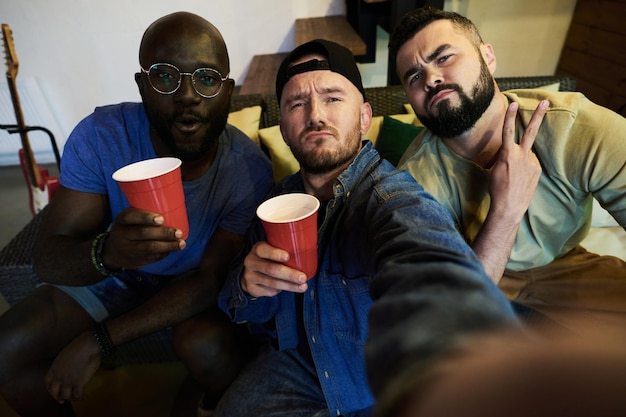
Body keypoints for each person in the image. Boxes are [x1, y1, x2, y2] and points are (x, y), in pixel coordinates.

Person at [215, 39, 521, 417]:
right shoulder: (278, 202)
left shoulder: (391, 198)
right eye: (297, 103)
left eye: (332, 98)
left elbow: (421, 246)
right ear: (283, 128)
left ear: (363, 116)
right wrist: (248, 286)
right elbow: (237, 307)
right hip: (300, 366)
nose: (315, 115)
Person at [0, 11, 273, 417]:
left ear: (228, 91)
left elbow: (210, 279)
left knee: (209, 348)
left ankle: (208, 402)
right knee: (7, 349)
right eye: (165, 76)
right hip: (114, 278)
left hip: (190, 287)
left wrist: (99, 341)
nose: (187, 95)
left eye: (207, 78)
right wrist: (107, 253)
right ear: (142, 85)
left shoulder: (248, 169)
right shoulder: (102, 136)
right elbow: (49, 259)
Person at [389, 7, 626, 333]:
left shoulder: (572, 126)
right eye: (414, 76)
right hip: (480, 279)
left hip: (570, 269)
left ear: (487, 57)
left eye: (443, 57)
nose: (431, 78)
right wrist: (506, 210)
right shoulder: (411, 181)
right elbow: (449, 312)